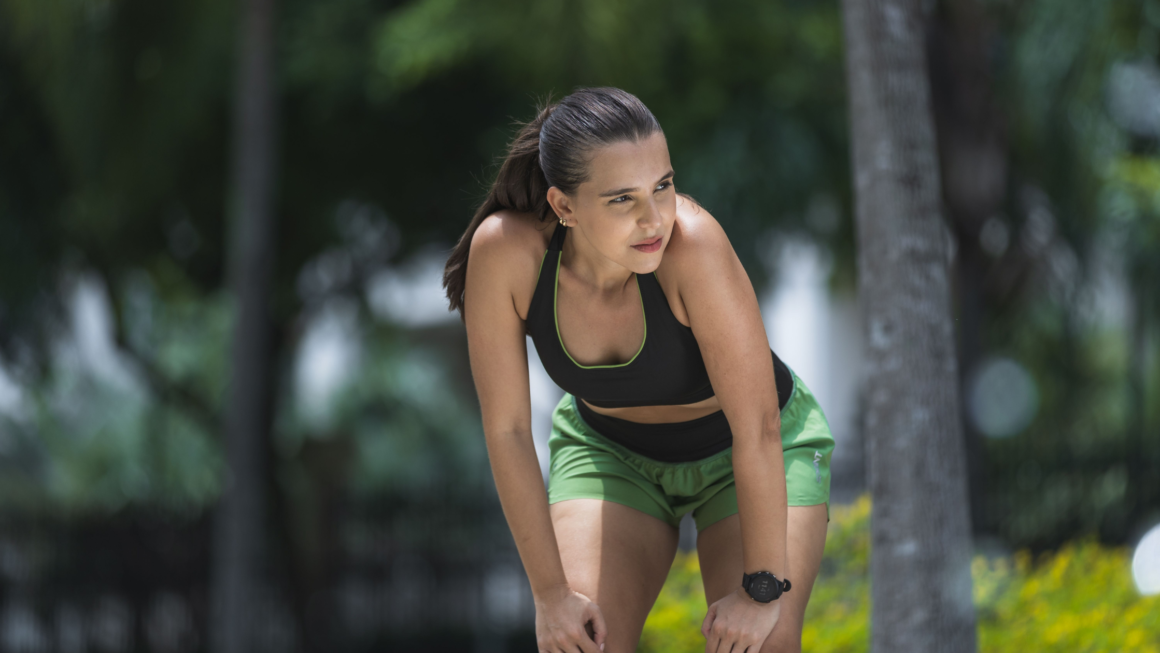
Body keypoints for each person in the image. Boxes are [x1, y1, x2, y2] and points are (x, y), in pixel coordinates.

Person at [443, 86, 835, 653]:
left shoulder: (693, 247)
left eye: (663, 186)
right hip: (610, 454)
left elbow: (758, 429)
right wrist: (550, 594)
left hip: (749, 450)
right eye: (622, 200)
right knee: (581, 646)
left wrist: (762, 590)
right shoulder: (505, 253)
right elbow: (506, 430)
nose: (655, 219)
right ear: (564, 207)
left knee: (763, 645)